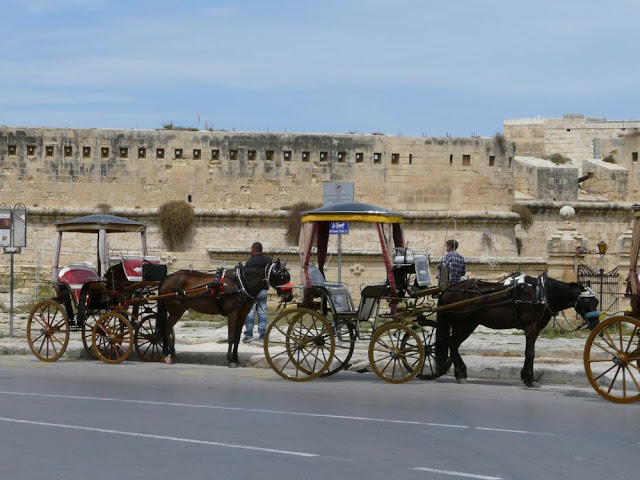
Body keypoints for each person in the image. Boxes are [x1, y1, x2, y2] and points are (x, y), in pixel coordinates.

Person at [242, 242, 272, 343]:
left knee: (250, 313)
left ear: (253, 250)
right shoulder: (268, 261)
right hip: (263, 290)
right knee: (262, 313)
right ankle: (262, 336)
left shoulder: (250, 262)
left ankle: (249, 335)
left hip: (252, 291)